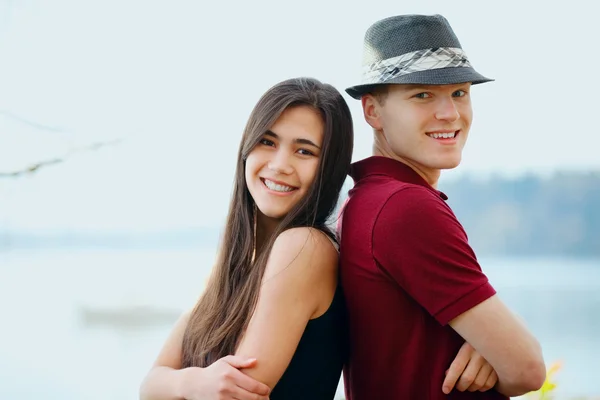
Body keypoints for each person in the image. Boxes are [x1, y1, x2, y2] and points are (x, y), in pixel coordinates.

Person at [338, 14, 547, 399]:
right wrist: (497, 349)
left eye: (460, 93)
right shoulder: (405, 207)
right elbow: (528, 370)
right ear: (372, 112)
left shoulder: (368, 201)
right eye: (422, 95)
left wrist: (487, 344)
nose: (450, 113)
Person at [139, 77, 353, 400]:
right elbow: (150, 385)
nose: (280, 165)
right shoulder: (234, 260)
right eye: (267, 142)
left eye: (304, 151)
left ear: (329, 168)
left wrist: (182, 383)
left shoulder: (303, 247)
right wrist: (194, 384)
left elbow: (235, 394)